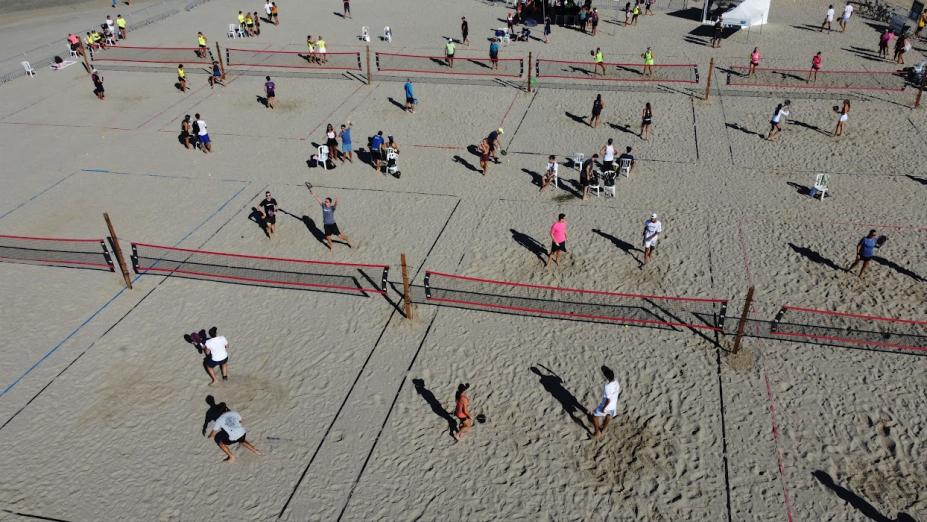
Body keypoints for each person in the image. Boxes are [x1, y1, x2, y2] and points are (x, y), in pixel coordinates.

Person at [591, 366, 621, 438]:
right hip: (614, 404)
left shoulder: (607, 387)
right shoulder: (616, 381)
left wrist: (604, 408)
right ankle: (604, 429)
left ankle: (597, 433)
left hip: (607, 405)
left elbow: (608, 400)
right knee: (609, 415)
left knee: (595, 417)